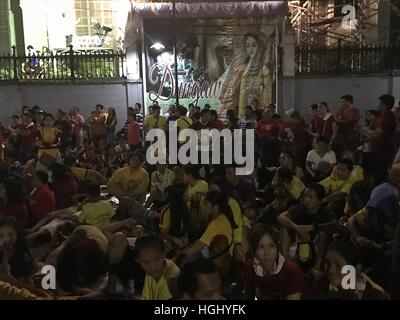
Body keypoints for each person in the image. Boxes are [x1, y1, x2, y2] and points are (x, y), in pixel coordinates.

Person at [277, 183, 336, 270]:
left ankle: (316, 270)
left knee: (324, 234)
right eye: (305, 196)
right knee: (284, 229)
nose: (307, 200)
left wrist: (314, 227)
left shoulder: (325, 213)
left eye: (311, 197)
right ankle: (285, 265)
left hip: (316, 249)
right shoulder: (299, 209)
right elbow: (281, 217)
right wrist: (296, 227)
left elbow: (335, 225)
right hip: (299, 244)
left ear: (319, 200)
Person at [180, 191, 237, 279]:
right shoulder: (222, 217)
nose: (203, 207)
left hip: (221, 266)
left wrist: (177, 258)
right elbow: (200, 241)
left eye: (206, 204)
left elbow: (197, 247)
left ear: (216, 207)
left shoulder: (218, 222)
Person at [310, 237, 389, 300]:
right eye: (327, 262)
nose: (330, 270)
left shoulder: (375, 296)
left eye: (338, 265)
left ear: (357, 269)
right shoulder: (321, 285)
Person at [242, 225, 304, 300]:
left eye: (271, 246)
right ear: (254, 251)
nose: (267, 253)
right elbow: (249, 295)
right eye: (261, 247)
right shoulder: (249, 267)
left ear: (277, 247)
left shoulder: (292, 271)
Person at [219, 33, 272, 119]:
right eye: (248, 46)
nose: (250, 49)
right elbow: (230, 89)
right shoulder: (242, 69)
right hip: (242, 113)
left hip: (260, 114)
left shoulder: (264, 70)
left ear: (260, 47)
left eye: (254, 45)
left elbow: (267, 96)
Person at [361, 94, 397, 183]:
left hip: (383, 150)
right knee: (373, 171)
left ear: (385, 105)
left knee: (380, 173)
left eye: (380, 103)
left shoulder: (388, 116)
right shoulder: (380, 115)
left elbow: (377, 134)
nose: (378, 105)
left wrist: (364, 130)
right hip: (376, 148)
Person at [134, 234, 180, 300]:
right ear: (138, 260)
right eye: (146, 262)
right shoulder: (153, 272)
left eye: (157, 259)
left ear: (164, 254)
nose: (152, 266)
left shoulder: (171, 279)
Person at [159, 184, 190, 249]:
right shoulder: (167, 211)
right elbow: (162, 233)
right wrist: (175, 239)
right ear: (179, 195)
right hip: (171, 242)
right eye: (186, 192)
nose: (188, 194)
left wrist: (185, 237)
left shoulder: (186, 204)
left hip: (182, 239)